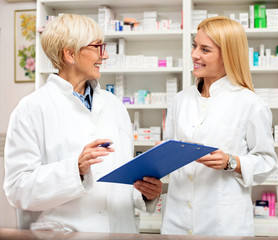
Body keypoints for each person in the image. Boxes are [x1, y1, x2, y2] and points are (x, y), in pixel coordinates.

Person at [3, 14, 162, 233]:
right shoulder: (31, 109)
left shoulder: (114, 105)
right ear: (70, 54)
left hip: (119, 232)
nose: (104, 55)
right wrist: (74, 170)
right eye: (97, 47)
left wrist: (144, 192)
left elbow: (118, 182)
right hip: (65, 234)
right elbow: (18, 190)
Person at [160, 16, 278, 236]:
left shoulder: (250, 103)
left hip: (223, 222)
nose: (195, 54)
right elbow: (169, 161)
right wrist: (162, 156)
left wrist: (231, 162)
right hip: (177, 218)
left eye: (205, 49)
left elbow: (267, 161)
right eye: (195, 46)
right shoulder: (180, 100)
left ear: (228, 56)